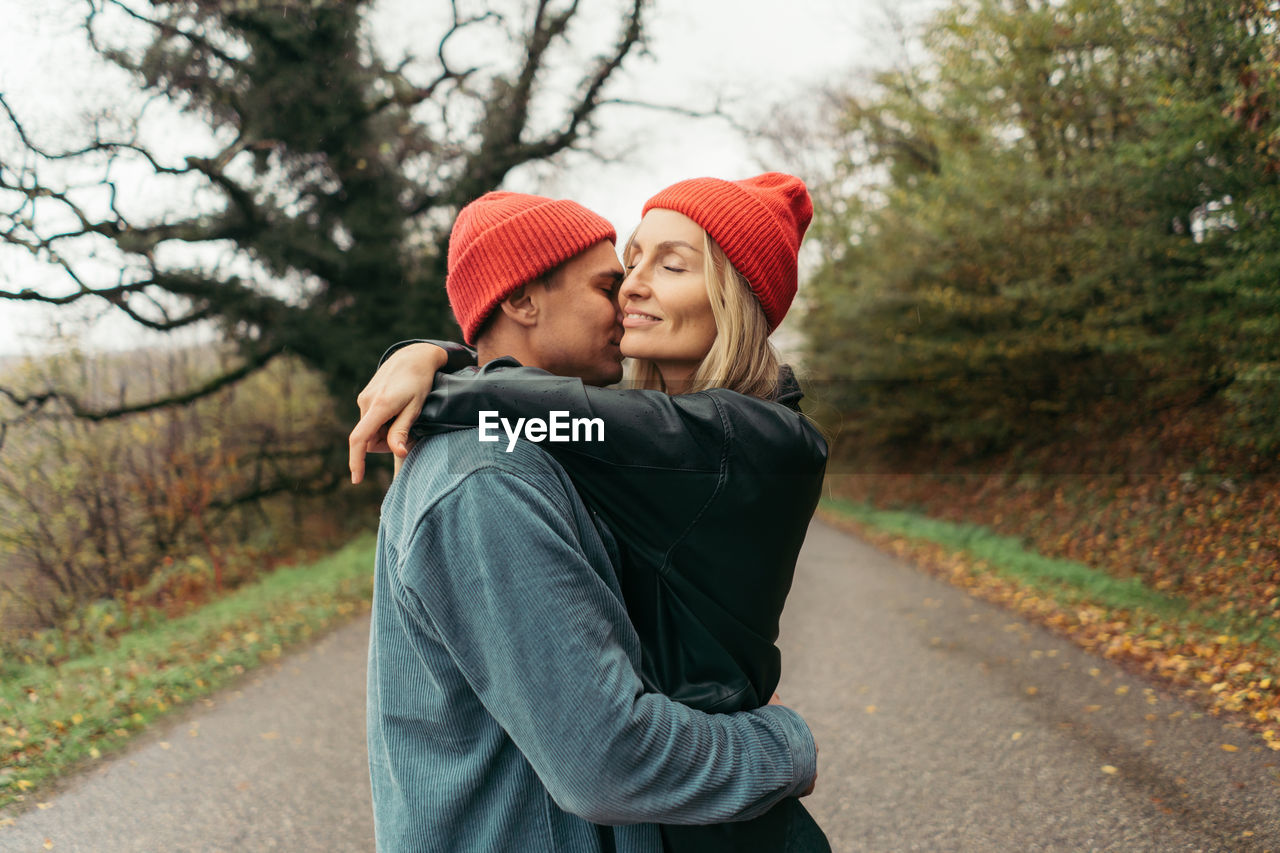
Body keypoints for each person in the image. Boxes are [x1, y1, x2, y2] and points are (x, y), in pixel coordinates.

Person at [353, 173, 832, 851]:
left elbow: (569, 413)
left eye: (665, 265)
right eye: (617, 277)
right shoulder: (492, 474)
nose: (630, 291)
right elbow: (608, 760)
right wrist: (785, 743)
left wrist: (432, 371)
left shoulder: (739, 436)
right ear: (520, 298)